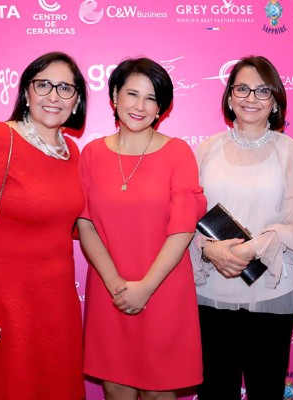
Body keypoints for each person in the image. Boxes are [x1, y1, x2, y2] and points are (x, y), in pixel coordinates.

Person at [0, 51, 87, 400]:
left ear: (77, 100)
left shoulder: (73, 152)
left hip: (56, 304)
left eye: (65, 88)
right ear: (26, 92)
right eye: (43, 84)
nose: (53, 95)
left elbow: (75, 225)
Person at [77, 57, 206, 400]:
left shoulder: (178, 152)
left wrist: (146, 287)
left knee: (157, 390)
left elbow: (182, 228)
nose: (139, 106)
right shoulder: (90, 154)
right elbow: (85, 222)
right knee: (116, 387)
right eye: (132, 94)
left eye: (151, 98)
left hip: (163, 288)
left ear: (161, 106)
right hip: (110, 290)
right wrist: (114, 283)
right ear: (115, 96)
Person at [190, 55, 293, 400]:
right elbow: (187, 216)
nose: (251, 98)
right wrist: (208, 248)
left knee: (267, 390)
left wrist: (250, 249)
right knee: (214, 389)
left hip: (270, 289)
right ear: (229, 97)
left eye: (262, 90)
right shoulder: (206, 150)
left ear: (275, 101)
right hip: (212, 287)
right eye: (242, 89)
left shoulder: (290, 152)